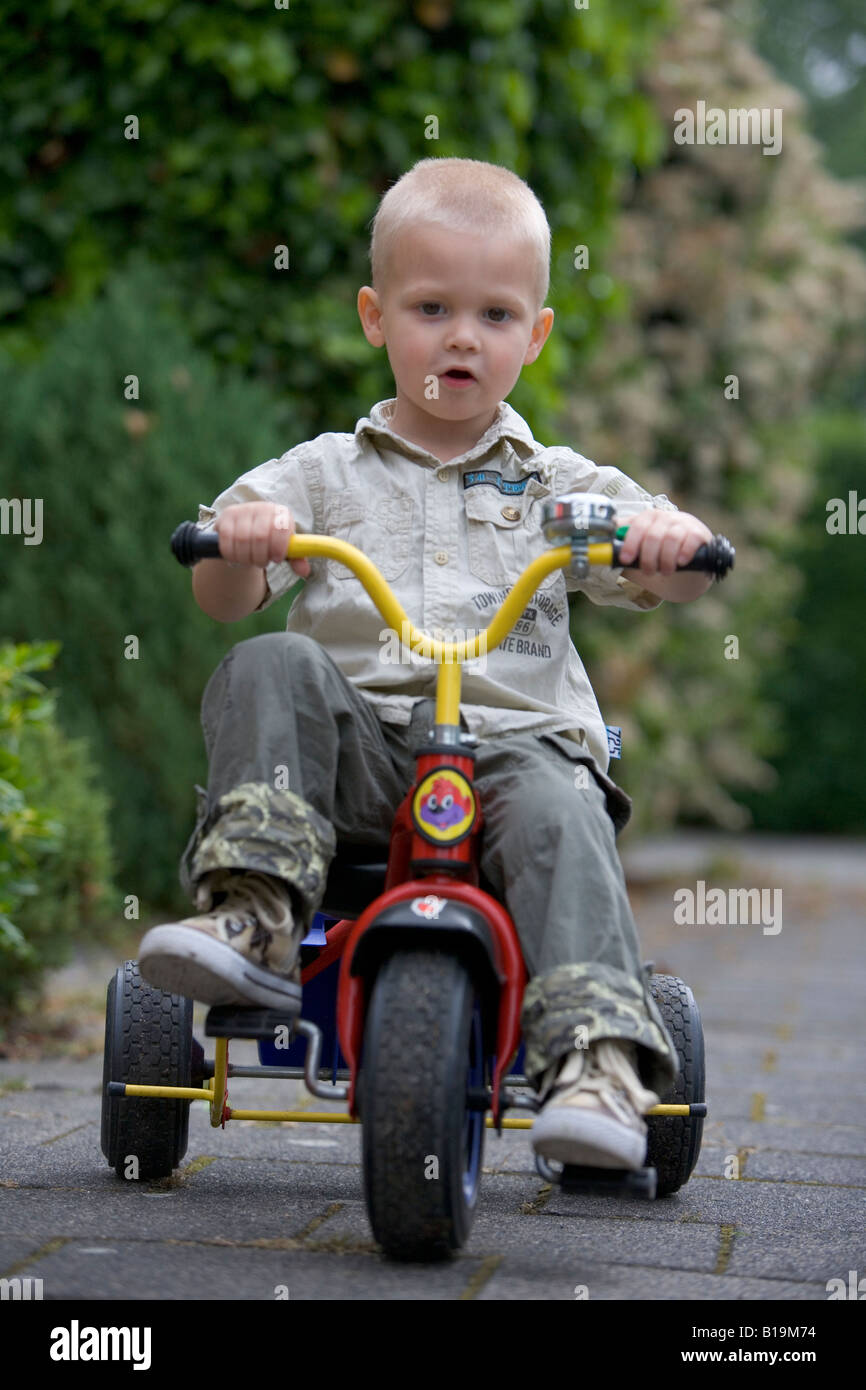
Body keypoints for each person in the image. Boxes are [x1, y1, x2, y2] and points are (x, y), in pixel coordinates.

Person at [139, 157, 716, 1171]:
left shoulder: (557, 488)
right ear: (375, 317)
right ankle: (256, 915)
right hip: (360, 761)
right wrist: (241, 540)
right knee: (269, 659)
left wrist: (667, 542)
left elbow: (668, 570)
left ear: (531, 337)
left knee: (559, 803)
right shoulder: (321, 473)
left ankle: (596, 1061)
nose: (461, 336)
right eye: (430, 307)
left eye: (494, 315)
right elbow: (218, 593)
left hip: (512, 759)